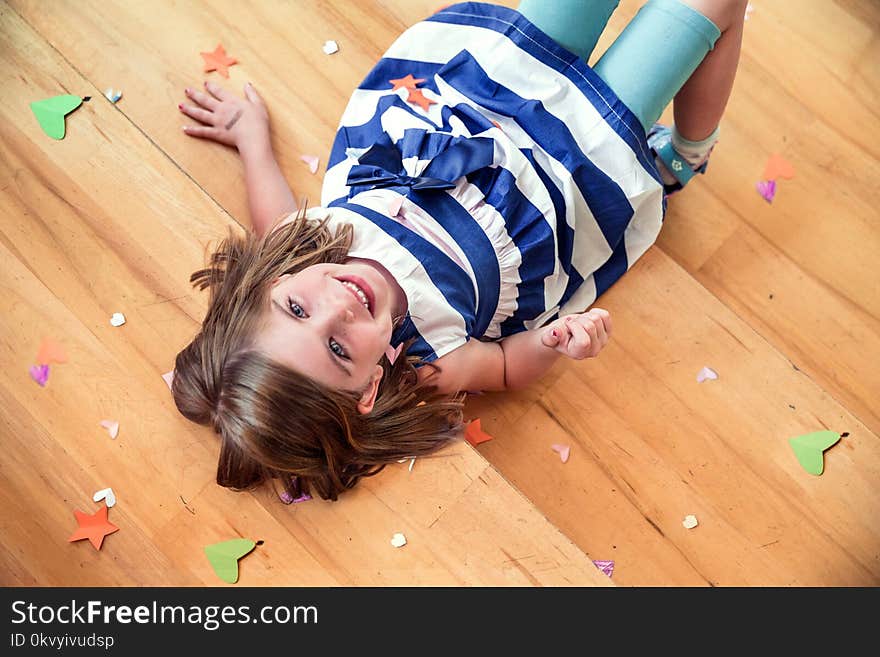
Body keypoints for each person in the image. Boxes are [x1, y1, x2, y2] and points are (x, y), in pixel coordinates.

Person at [172, 0, 747, 501]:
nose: (338, 307)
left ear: (271, 284)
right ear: (370, 388)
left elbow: (271, 210)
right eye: (339, 348)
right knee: (715, 6)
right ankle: (687, 155)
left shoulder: (296, 246)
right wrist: (551, 343)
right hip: (570, 168)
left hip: (491, 103)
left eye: (297, 309)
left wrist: (251, 138)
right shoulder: (428, 365)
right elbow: (501, 367)